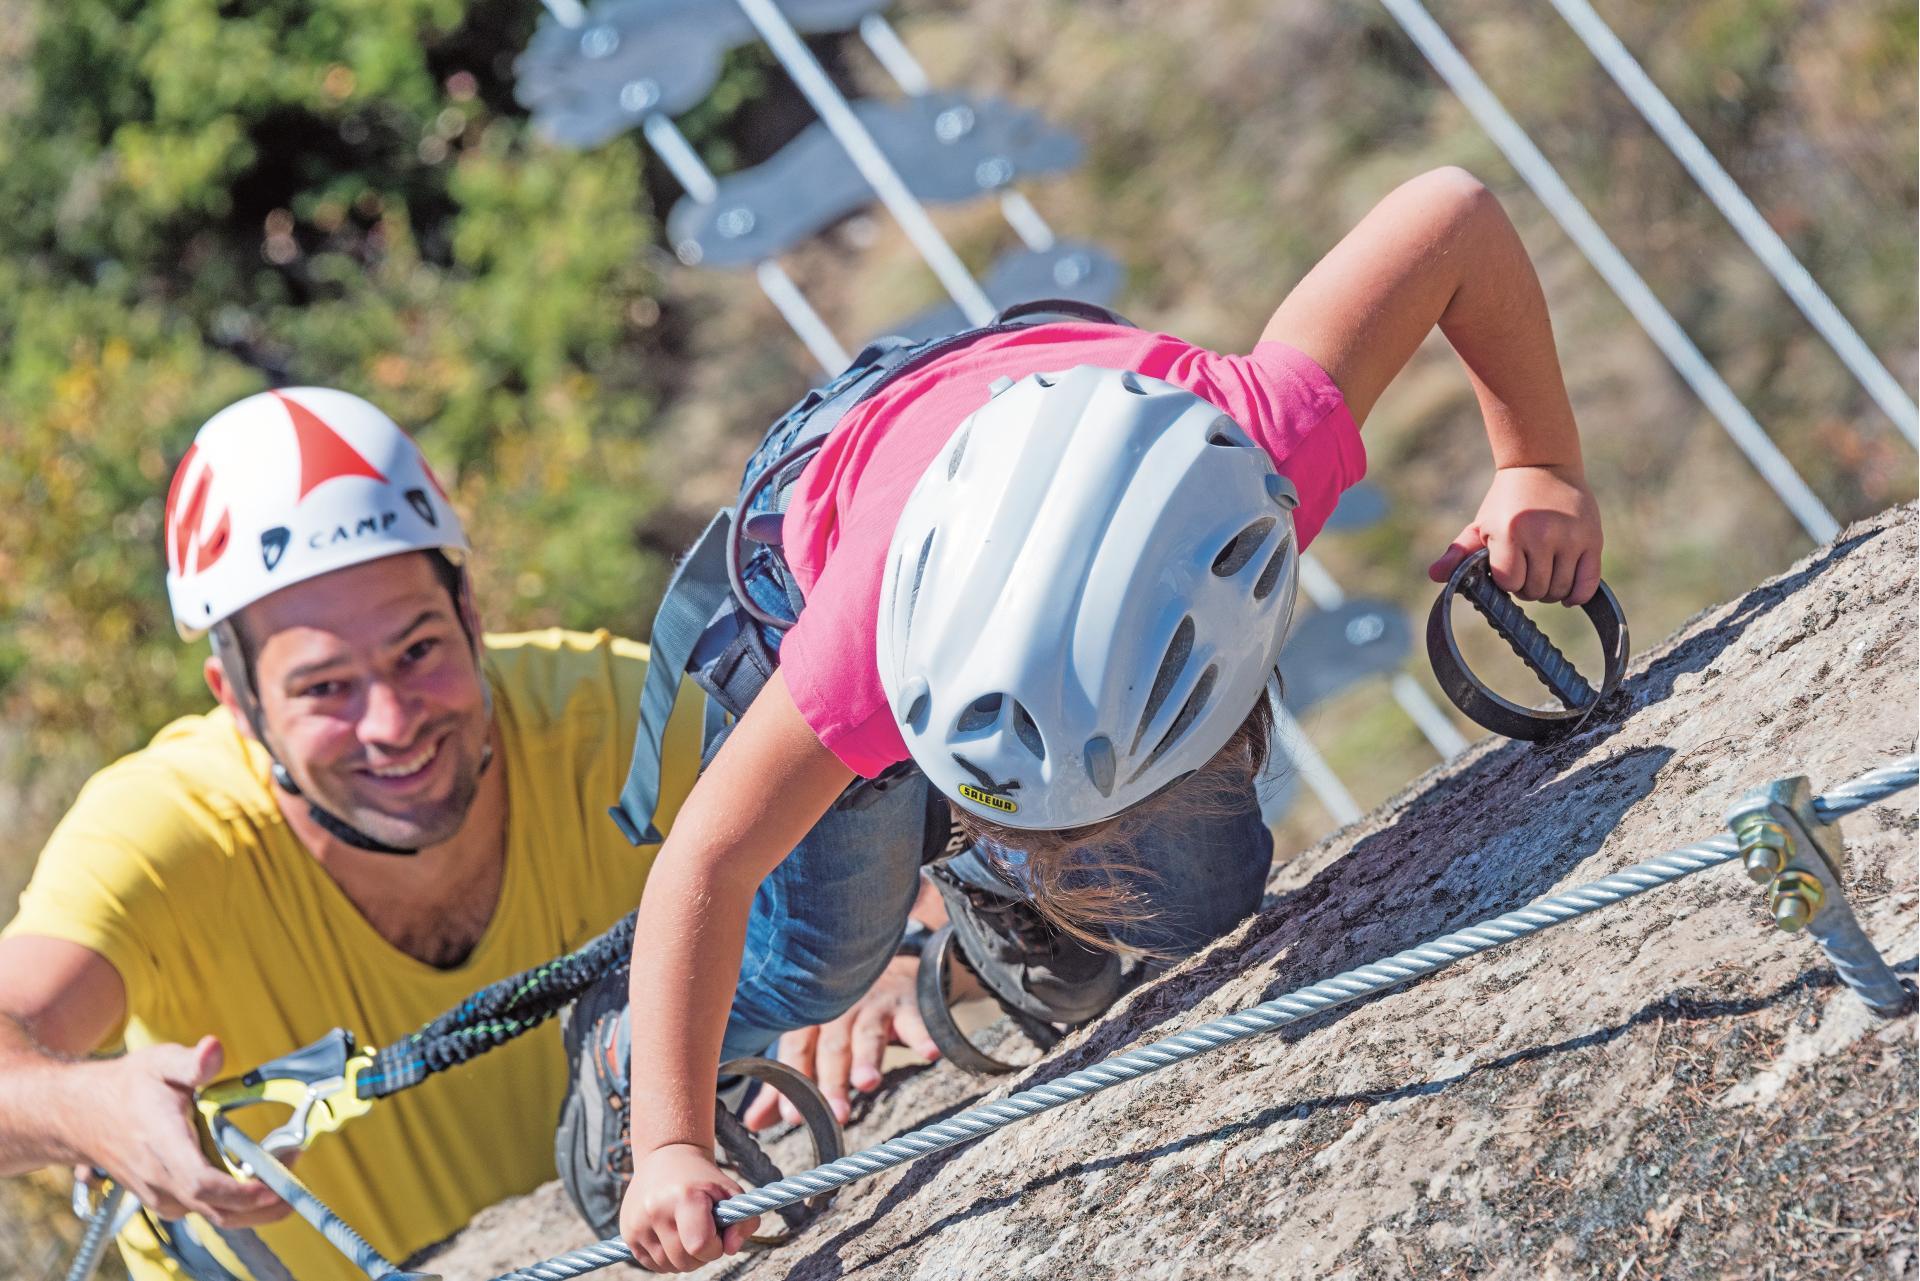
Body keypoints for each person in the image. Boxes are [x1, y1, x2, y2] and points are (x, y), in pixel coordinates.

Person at [603, 165, 1608, 1271]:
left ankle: (990, 887)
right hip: (841, 513)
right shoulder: (852, 665)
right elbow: (705, 863)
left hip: (1074, 455)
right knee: (821, 964)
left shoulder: (1245, 454)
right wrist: (668, 1139)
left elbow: (1451, 214)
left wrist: (1540, 463)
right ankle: (618, 1053)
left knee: (1195, 898)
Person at [0, 388, 709, 1281]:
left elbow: (877, 788)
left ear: (471, 615)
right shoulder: (166, 833)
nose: (392, 722)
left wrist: (884, 942)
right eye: (325, 688)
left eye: (418, 650)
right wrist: (84, 1105)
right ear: (238, 701)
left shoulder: (610, 720)